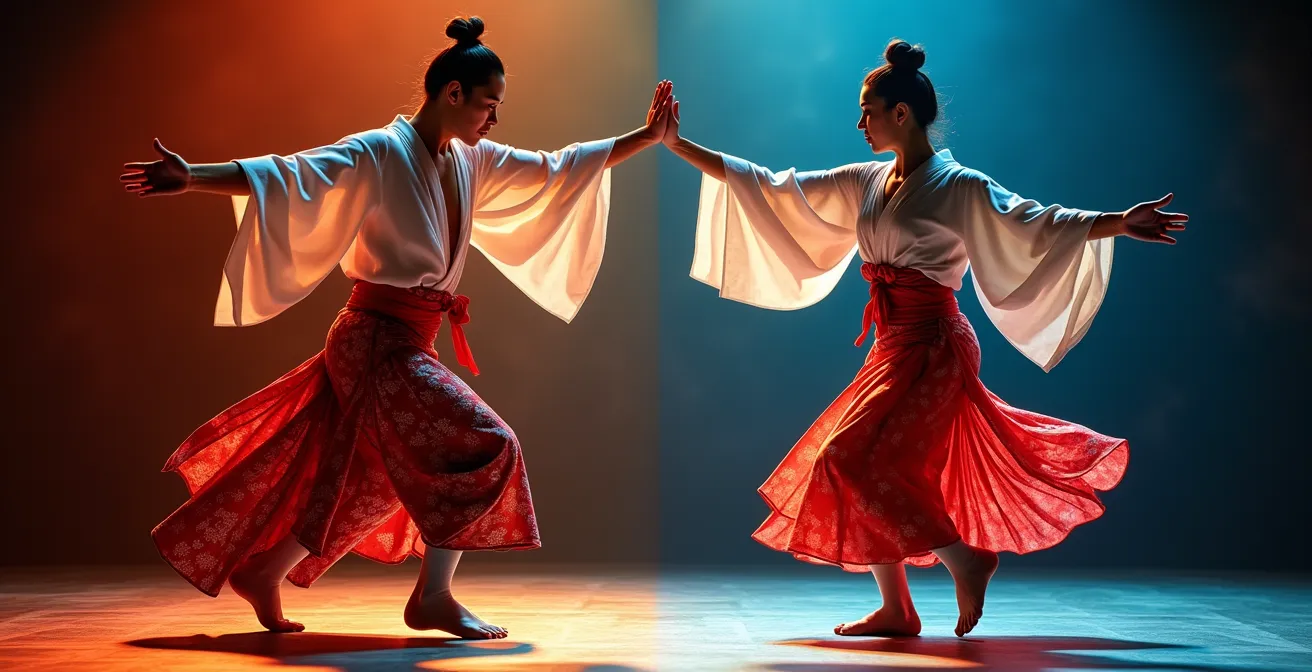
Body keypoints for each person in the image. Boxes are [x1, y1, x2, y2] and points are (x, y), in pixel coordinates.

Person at [120, 16, 674, 638]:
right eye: (488, 104)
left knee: (373, 474)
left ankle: (265, 570)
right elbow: (291, 173)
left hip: (408, 339)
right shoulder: (379, 153)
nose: (494, 119)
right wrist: (193, 176)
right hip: (375, 339)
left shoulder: (469, 160)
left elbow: (557, 168)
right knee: (486, 443)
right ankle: (433, 596)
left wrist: (645, 137)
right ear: (453, 93)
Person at [660, 39, 1186, 637]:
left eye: (868, 111)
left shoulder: (959, 186)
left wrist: (1119, 222)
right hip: (892, 343)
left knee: (851, 459)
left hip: (935, 345)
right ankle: (898, 608)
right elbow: (775, 187)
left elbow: (1035, 220)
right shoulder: (867, 180)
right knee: (855, 463)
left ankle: (965, 558)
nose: (860, 123)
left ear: (901, 113)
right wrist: (679, 146)